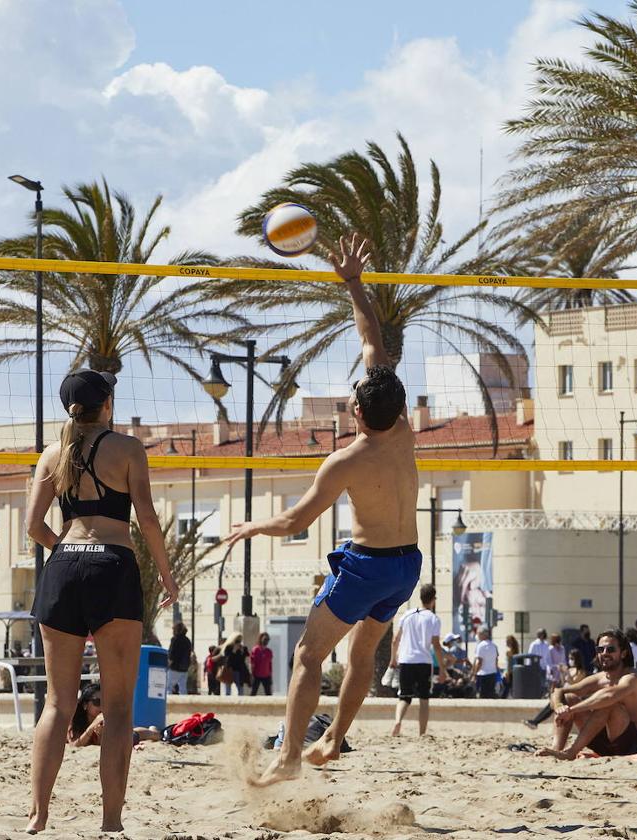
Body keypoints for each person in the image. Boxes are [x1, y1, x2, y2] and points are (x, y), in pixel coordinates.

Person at [225, 234, 426, 786]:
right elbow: (372, 341)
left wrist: (250, 526)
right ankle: (334, 739)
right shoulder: (404, 429)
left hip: (365, 567)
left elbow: (294, 523)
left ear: (358, 412)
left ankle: (290, 755)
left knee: (309, 658)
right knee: (364, 655)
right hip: (407, 565)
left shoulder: (344, 460)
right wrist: (355, 283)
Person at [24, 368, 177, 833]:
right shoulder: (128, 448)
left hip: (64, 567)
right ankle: (111, 821)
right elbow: (147, 519)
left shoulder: (53, 454)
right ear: (106, 404)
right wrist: (168, 578)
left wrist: (67, 552)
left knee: (57, 704)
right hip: (112, 565)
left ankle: (38, 816)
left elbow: (33, 527)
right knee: (118, 706)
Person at [537, 629, 637, 759]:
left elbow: (609, 696)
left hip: (633, 744)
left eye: (610, 649)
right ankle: (556, 749)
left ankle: (570, 752)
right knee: (569, 698)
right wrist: (560, 707)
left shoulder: (632, 677)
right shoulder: (600, 678)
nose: (604, 653)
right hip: (605, 745)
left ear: (623, 653)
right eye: (600, 650)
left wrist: (571, 710)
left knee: (609, 705)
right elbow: (559, 691)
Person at [389, 584, 448, 737]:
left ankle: (397, 721)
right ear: (433, 600)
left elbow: (395, 640)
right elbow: (436, 645)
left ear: (420, 598)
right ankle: (422, 733)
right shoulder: (433, 619)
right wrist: (442, 668)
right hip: (423, 661)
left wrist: (393, 659)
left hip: (406, 660)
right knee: (424, 699)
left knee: (404, 696)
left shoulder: (407, 615)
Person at [69, 684, 161, 747]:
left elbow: (105, 744)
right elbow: (75, 745)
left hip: (124, 737)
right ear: (85, 705)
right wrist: (92, 727)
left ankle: (153, 730)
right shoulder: (74, 721)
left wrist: (101, 733)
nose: (102, 706)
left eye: (105, 702)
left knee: (147, 734)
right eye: (97, 702)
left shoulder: (104, 720)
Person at [524, 648, 588, 729]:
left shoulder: (581, 672)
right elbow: (563, 683)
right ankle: (535, 721)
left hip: (572, 697)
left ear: (577, 659)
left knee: (552, 706)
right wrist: (561, 672)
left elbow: (574, 684)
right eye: (569, 658)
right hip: (564, 694)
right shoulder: (570, 669)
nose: (570, 661)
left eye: (572, 658)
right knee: (551, 705)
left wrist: (567, 672)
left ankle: (536, 722)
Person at [471, 627, 500, 699]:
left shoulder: (480, 646)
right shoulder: (494, 646)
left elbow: (479, 662)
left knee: (482, 696)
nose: (478, 636)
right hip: (492, 674)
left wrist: (474, 674)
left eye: (478, 634)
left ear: (482, 635)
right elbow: (496, 661)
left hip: (483, 675)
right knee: (491, 695)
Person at [166, 622, 192, 696]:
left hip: (174, 668)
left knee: (168, 687)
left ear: (176, 630)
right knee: (183, 689)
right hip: (184, 668)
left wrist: (168, 664)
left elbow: (171, 653)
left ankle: (169, 705)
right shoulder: (188, 640)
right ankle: (184, 705)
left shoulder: (175, 639)